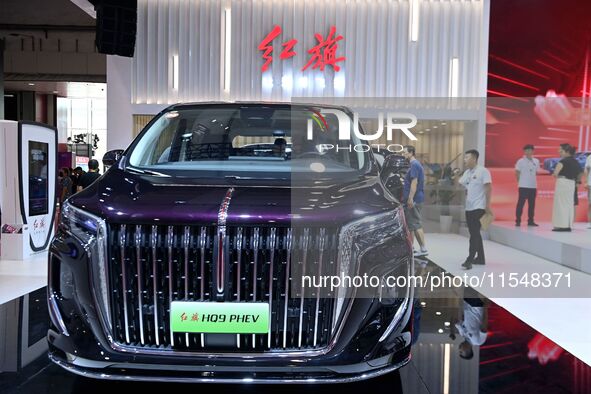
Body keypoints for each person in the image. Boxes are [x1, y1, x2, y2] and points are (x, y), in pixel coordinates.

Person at [457, 149, 492, 270]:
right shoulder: (468, 172)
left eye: (467, 157)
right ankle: (481, 258)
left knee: (474, 234)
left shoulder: (483, 171)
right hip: (469, 207)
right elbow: (461, 182)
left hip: (479, 207)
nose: (465, 160)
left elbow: (488, 188)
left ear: (474, 159)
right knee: (474, 233)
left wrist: (487, 205)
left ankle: (470, 259)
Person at [402, 145, 428, 257]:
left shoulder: (414, 165)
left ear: (411, 153)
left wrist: (410, 198)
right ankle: (411, 248)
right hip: (414, 198)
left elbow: (414, 183)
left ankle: (423, 249)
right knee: (411, 225)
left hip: (415, 199)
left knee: (416, 224)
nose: (403, 154)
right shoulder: (413, 165)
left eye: (405, 152)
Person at [552, 144, 581, 232]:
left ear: (566, 152)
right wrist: (577, 182)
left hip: (563, 183)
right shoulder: (576, 162)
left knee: (560, 204)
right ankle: (568, 225)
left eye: (561, 151)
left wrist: (554, 174)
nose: (560, 153)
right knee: (569, 205)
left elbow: (555, 174)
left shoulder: (562, 161)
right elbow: (579, 174)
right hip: (571, 183)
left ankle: (561, 225)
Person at [515, 144, 539, 226]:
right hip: (523, 186)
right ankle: (518, 220)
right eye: (526, 150)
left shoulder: (536, 161)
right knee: (520, 204)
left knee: (532, 205)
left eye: (530, 150)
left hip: (533, 186)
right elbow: (517, 172)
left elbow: (536, 172)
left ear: (533, 151)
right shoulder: (520, 161)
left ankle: (531, 221)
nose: (528, 152)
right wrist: (520, 182)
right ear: (524, 151)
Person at [584, 153, 591, 229]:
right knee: (590, 203)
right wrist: (586, 181)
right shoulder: (590, 157)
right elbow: (586, 169)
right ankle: (590, 222)